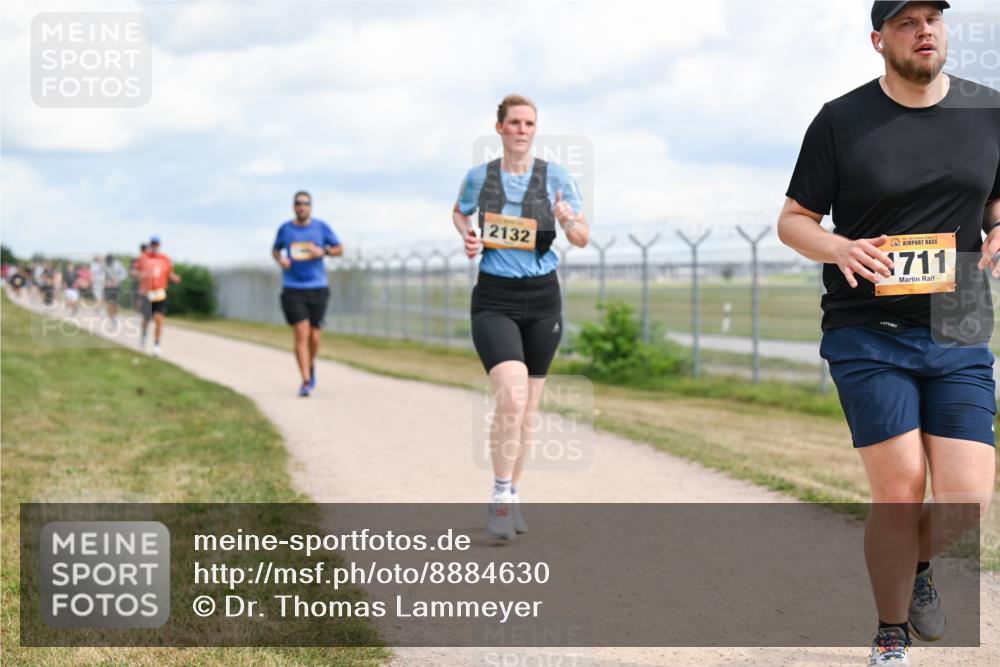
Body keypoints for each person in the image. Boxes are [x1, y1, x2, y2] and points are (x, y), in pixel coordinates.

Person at [776, 3, 999, 665]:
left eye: (933, 18)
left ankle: (919, 560)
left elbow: (995, 198)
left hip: (958, 318)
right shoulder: (841, 120)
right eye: (906, 22)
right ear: (879, 41)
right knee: (901, 484)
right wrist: (838, 248)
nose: (924, 30)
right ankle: (890, 632)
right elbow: (793, 220)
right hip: (867, 325)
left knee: (966, 498)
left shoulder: (988, 111)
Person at [453, 94, 589, 540]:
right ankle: (498, 496)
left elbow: (583, 236)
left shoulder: (557, 178)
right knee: (509, 399)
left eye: (529, 123)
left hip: (542, 299)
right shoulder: (481, 177)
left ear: (535, 129)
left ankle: (512, 492)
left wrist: (568, 222)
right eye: (514, 123)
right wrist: (469, 235)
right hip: (494, 298)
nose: (522, 130)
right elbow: (460, 212)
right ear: (499, 128)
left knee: (527, 410)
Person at [271, 191, 343, 396]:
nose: (302, 207)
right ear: (293, 206)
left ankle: (310, 366)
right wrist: (280, 260)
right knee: (301, 330)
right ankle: (305, 380)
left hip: (318, 287)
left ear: (311, 206)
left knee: (314, 335)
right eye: (298, 203)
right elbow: (275, 250)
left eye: (305, 203)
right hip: (293, 288)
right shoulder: (285, 229)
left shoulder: (321, 228)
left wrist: (324, 252)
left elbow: (339, 248)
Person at [134, 236, 181, 357]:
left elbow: (169, 273)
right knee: (146, 318)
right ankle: (143, 335)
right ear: (150, 245)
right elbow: (135, 272)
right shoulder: (143, 258)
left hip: (159, 292)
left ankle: (156, 344)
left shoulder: (165, 259)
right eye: (153, 244)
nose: (155, 246)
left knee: (159, 319)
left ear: (159, 245)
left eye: (157, 244)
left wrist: (174, 278)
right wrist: (140, 275)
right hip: (147, 293)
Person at [103, 254, 127, 323]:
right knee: (109, 302)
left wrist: (118, 279)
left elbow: (124, 274)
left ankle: (115, 316)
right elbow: (100, 275)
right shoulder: (104, 265)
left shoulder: (118, 265)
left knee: (115, 303)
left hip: (116, 287)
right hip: (107, 287)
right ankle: (111, 318)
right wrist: (105, 281)